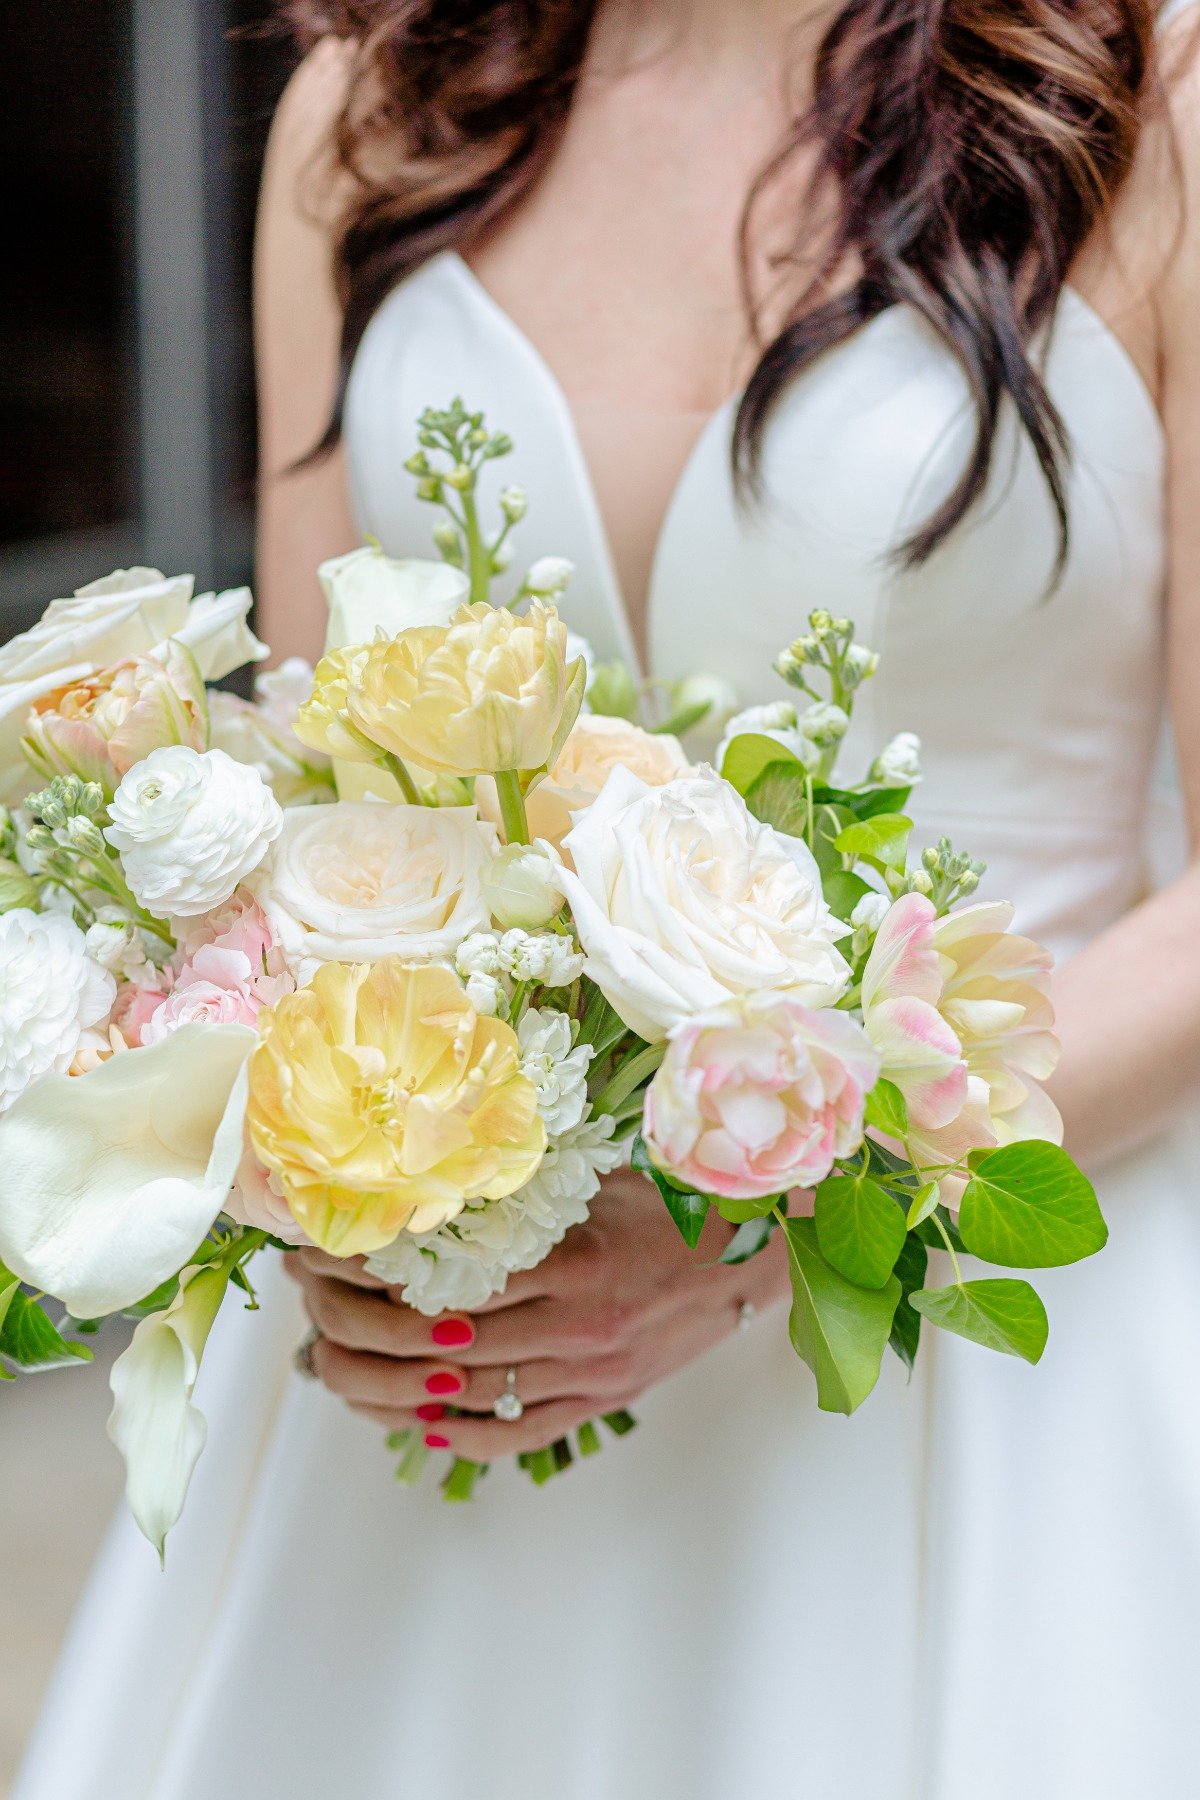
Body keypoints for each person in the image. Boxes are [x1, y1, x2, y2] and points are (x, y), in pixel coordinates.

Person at [15, 2, 1200, 1795]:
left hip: (993, 1368)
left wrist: (772, 1216)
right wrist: (335, 1169)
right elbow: (302, 793)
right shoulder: (382, 100)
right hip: (442, 1385)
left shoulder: (1155, 97)